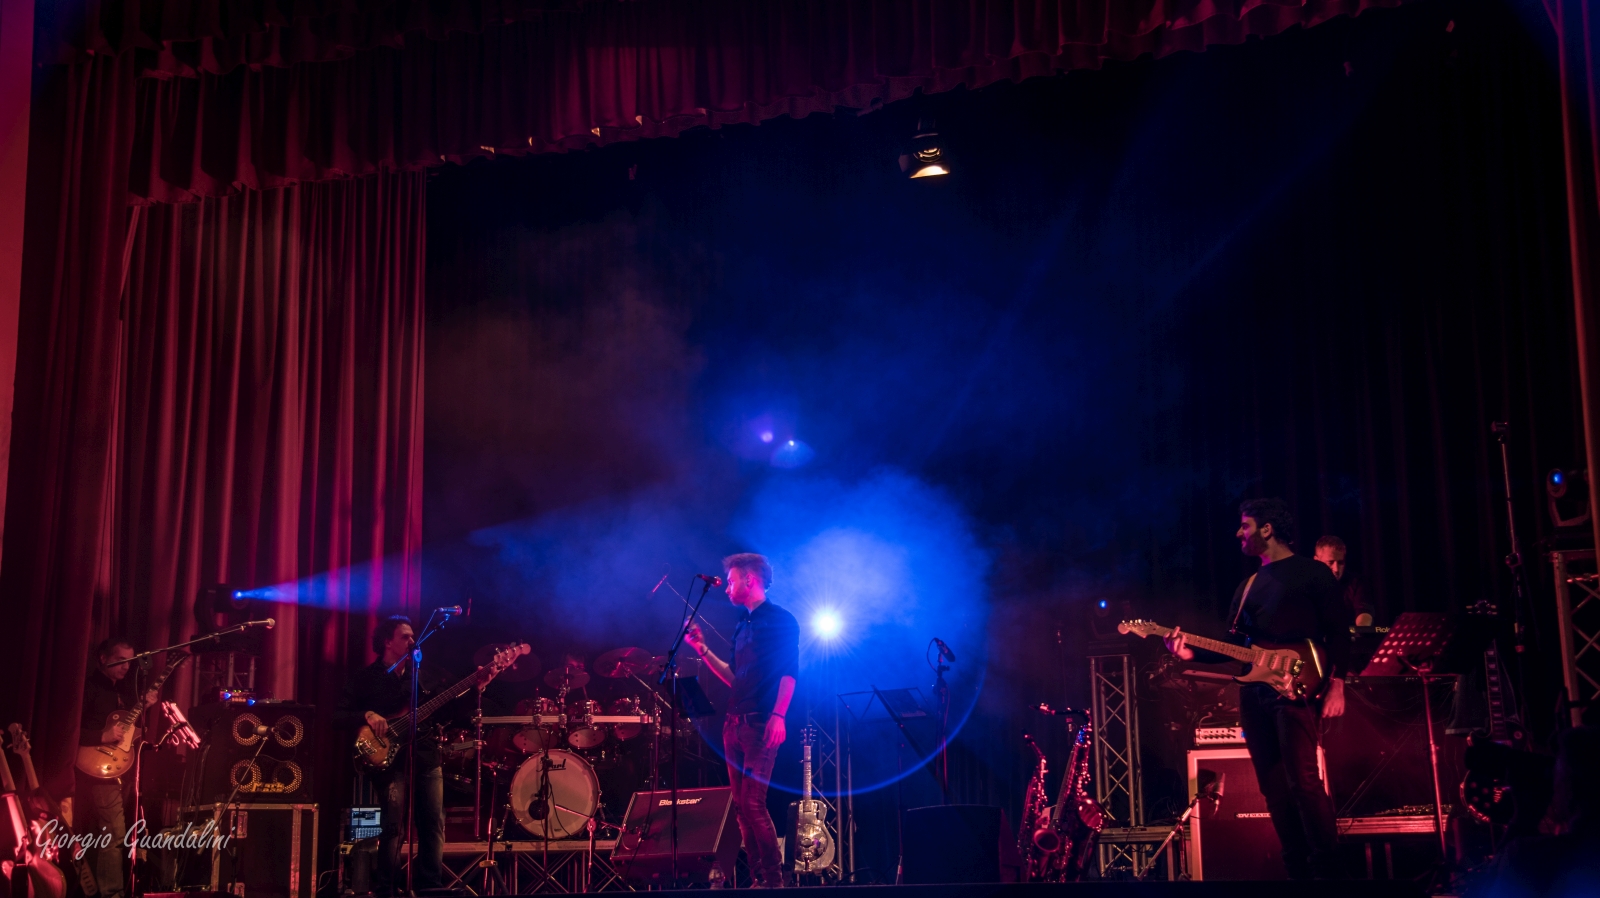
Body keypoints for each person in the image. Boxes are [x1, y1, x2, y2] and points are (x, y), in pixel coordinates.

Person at [1163, 499, 1350, 880]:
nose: (1238, 533)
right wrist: (1189, 652)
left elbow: (1339, 634)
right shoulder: (1247, 586)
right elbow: (1234, 646)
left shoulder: (1313, 573)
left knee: (1304, 781)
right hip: (1255, 694)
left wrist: (1337, 685)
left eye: (1245, 525)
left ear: (1267, 529)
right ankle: (1297, 871)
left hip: (1296, 689)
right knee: (1273, 787)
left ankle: (1330, 873)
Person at [685, 553, 799, 888]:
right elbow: (734, 678)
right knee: (740, 807)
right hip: (734, 724)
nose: (727, 588)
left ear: (750, 580)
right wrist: (702, 649)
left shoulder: (781, 620)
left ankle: (774, 882)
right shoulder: (742, 625)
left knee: (753, 802)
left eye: (732, 581)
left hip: (761, 722)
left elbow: (789, 673)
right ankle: (759, 878)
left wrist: (779, 715)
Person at [340, 616, 454, 896]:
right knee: (393, 828)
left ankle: (430, 887)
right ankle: (387, 888)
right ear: (387, 642)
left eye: (413, 636)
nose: (412, 641)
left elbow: (449, 709)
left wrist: (478, 686)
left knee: (433, 824)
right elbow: (337, 716)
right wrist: (367, 715)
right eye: (405, 636)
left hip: (426, 756)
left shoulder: (423, 675)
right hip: (391, 763)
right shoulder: (366, 678)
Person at [76, 637, 158, 898]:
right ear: (103, 658)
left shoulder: (121, 692)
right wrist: (101, 736)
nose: (126, 667)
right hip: (95, 770)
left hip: (118, 771)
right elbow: (67, 729)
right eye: (120, 660)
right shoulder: (87, 688)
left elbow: (130, 732)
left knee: (107, 834)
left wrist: (144, 707)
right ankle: (112, 894)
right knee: (114, 833)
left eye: (130, 662)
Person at [1312, 535, 1374, 627]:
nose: (1336, 569)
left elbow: (1364, 611)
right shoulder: (1308, 585)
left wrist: (1361, 629)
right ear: (1317, 561)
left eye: (1340, 563)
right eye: (1330, 562)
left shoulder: (1356, 582)